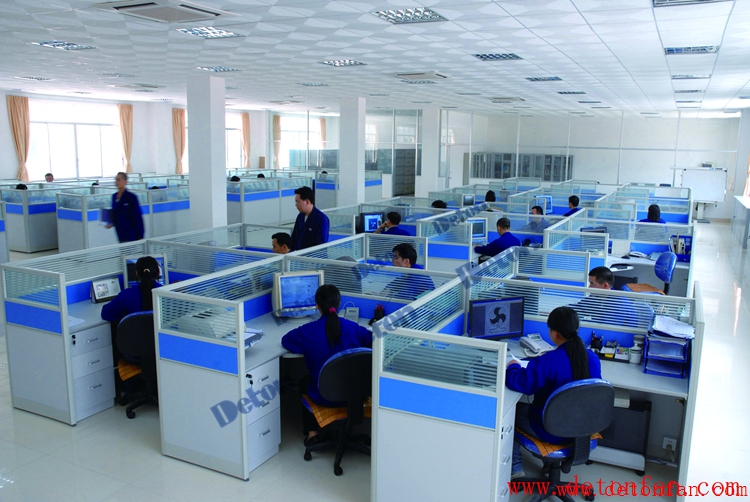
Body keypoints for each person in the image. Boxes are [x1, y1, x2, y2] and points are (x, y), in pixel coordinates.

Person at [505, 306, 601, 479]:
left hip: (551, 431)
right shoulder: (592, 358)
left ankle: (515, 468)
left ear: (555, 333)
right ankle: (549, 465)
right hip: (582, 430)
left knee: (512, 411)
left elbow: (520, 383)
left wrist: (512, 366)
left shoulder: (549, 361)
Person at [281, 284, 372, 445]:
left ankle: (312, 434)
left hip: (324, 396)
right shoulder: (352, 327)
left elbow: (286, 340)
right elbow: (373, 340)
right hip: (356, 396)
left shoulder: (309, 331)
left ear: (317, 306)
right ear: (339, 303)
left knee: (304, 381)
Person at [101, 256, 162, 325]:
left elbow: (105, 313)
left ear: (136, 274)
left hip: (134, 332)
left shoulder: (126, 296)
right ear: (158, 272)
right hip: (160, 332)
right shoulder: (165, 294)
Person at [107, 171, 145, 243]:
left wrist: (140, 235)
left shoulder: (131, 197)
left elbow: (137, 216)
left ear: (125, 182)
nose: (117, 182)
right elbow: (115, 214)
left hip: (131, 232)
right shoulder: (114, 197)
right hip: (120, 232)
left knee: (131, 249)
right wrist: (110, 223)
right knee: (123, 249)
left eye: (119, 180)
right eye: (116, 180)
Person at [291, 186, 329, 251]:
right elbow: (294, 237)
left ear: (307, 202)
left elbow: (321, 246)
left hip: (311, 256)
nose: (296, 205)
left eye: (298, 202)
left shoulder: (321, 219)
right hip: (297, 255)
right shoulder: (300, 216)